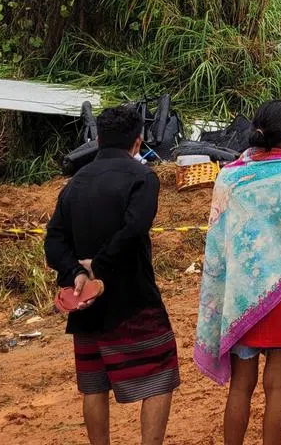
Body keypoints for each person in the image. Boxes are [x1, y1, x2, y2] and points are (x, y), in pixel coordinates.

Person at [194, 100, 281, 445]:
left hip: (242, 296)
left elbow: (219, 244)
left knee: (241, 386)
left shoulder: (228, 178)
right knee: (278, 386)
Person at [44, 105, 178, 445]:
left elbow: (54, 242)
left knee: (94, 384)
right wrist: (100, 271)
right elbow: (134, 228)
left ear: (99, 139)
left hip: (85, 303)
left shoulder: (74, 184)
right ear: (138, 142)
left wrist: (76, 271)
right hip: (134, 298)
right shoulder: (143, 178)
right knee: (160, 374)